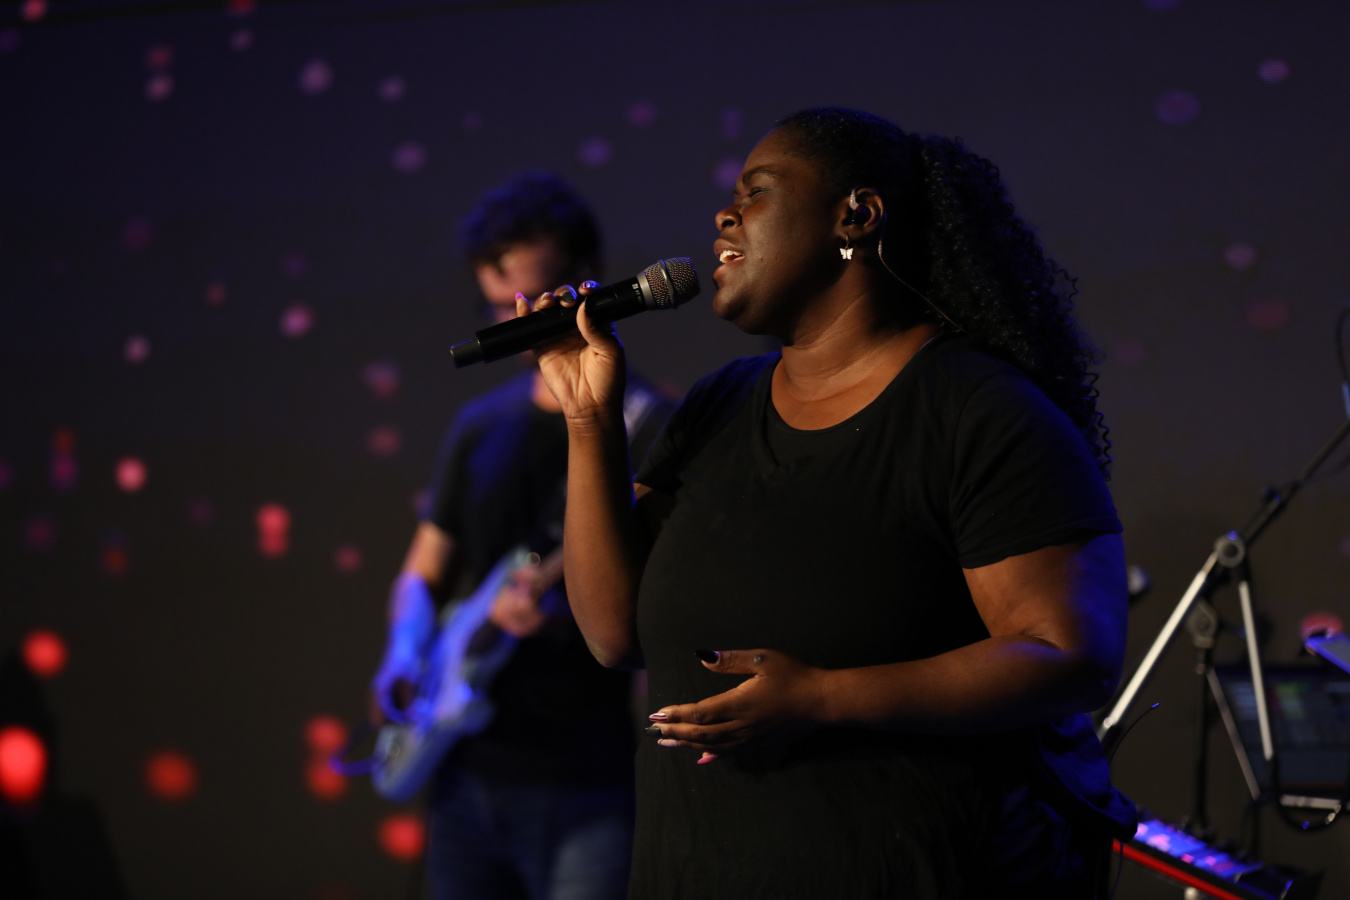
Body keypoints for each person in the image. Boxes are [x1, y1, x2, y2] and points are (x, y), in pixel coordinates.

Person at [526, 109, 1135, 898]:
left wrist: (823, 696)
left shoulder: (979, 412)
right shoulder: (717, 407)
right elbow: (613, 632)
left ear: (857, 215)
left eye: (757, 192)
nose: (725, 216)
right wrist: (588, 419)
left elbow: (1070, 655)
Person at [369, 173, 672, 900]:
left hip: (584, 785)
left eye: (532, 296)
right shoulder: (480, 427)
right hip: (465, 778)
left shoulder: (656, 428)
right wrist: (405, 650)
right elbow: (421, 571)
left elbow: (662, 600)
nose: (516, 320)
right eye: (497, 302)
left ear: (585, 279)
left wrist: (572, 606)